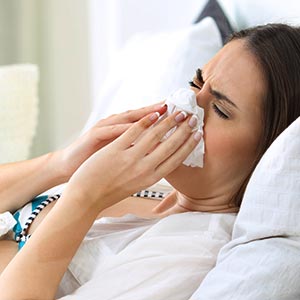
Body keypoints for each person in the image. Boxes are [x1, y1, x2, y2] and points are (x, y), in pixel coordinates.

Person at [0, 23, 300, 300]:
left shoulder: (187, 255)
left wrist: (84, 197)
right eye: (196, 84)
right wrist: (63, 163)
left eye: (220, 109)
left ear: (267, 153)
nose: (188, 106)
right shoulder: (152, 185)